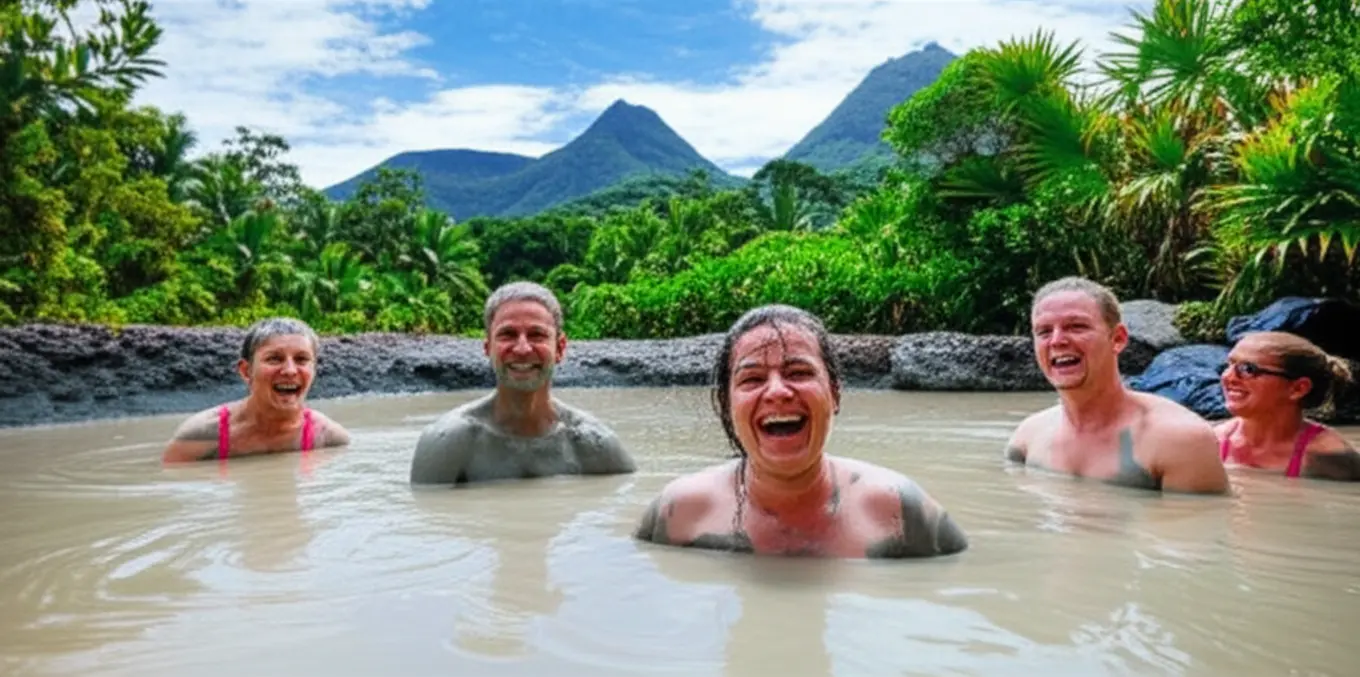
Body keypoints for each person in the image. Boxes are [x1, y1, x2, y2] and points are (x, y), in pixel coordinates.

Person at [633, 304, 968, 559]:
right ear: (726, 403)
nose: (777, 391)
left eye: (798, 372)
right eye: (752, 379)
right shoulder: (677, 513)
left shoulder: (899, 511)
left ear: (835, 393)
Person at [1004, 277, 1229, 494]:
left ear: (1118, 339)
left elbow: (1201, 527)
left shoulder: (1179, 440)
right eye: (1044, 331)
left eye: (1076, 327)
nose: (1057, 340)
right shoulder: (1027, 438)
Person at [409, 281, 636, 485]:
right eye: (507, 334)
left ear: (560, 348)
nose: (522, 349)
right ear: (488, 348)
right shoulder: (447, 442)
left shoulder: (594, 444)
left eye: (537, 335)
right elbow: (427, 519)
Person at [162, 317, 351, 463]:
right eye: (274, 359)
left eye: (302, 360)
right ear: (246, 371)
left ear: (314, 370)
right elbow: (169, 483)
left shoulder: (328, 438)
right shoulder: (203, 434)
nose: (290, 371)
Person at [1215, 331, 1358, 481]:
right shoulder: (1212, 443)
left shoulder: (1328, 454)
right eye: (1229, 365)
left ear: (1298, 389)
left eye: (1248, 369)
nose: (1227, 377)